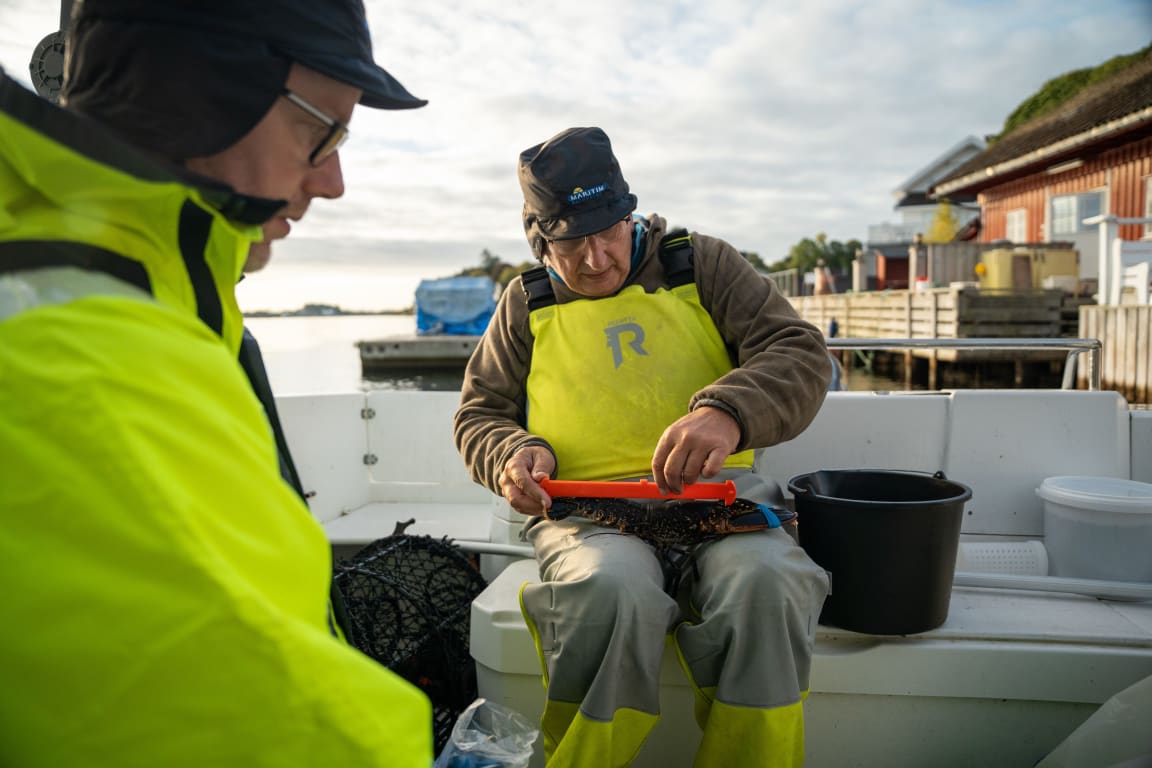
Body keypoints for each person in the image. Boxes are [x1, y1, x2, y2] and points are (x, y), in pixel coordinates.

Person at [0, 1, 434, 765]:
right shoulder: (88, 363)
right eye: (321, 131)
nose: (332, 181)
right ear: (203, 90)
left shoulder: (141, 298)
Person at [454, 126, 833, 767]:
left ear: (630, 213)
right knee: (610, 592)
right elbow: (480, 414)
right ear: (541, 240)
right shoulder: (524, 302)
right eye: (571, 243)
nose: (596, 258)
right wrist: (512, 454)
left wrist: (726, 412)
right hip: (590, 519)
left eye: (609, 232)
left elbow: (799, 353)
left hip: (722, 504)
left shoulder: (702, 262)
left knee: (768, 583)